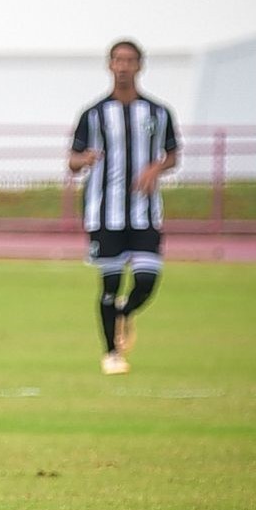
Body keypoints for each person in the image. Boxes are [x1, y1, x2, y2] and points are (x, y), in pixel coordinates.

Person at [69, 39, 180, 375]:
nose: (123, 66)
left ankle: (124, 314)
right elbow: (72, 161)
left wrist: (155, 168)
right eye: (118, 60)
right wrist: (83, 160)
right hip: (105, 212)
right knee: (111, 283)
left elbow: (172, 155)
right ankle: (112, 354)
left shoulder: (158, 113)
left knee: (147, 280)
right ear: (109, 65)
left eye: (130, 60)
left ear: (139, 65)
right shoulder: (94, 114)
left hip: (144, 212)